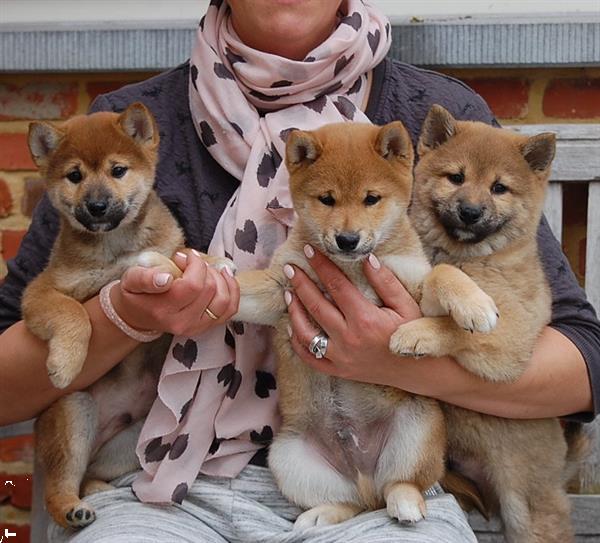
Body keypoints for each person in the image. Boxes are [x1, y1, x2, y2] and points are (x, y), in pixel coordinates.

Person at [0, 0, 598, 541]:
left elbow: (581, 361)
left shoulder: (436, 125)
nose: (345, 224)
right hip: (168, 478)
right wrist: (122, 315)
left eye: (367, 201)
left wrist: (395, 361)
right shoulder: (123, 132)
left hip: (385, 469)